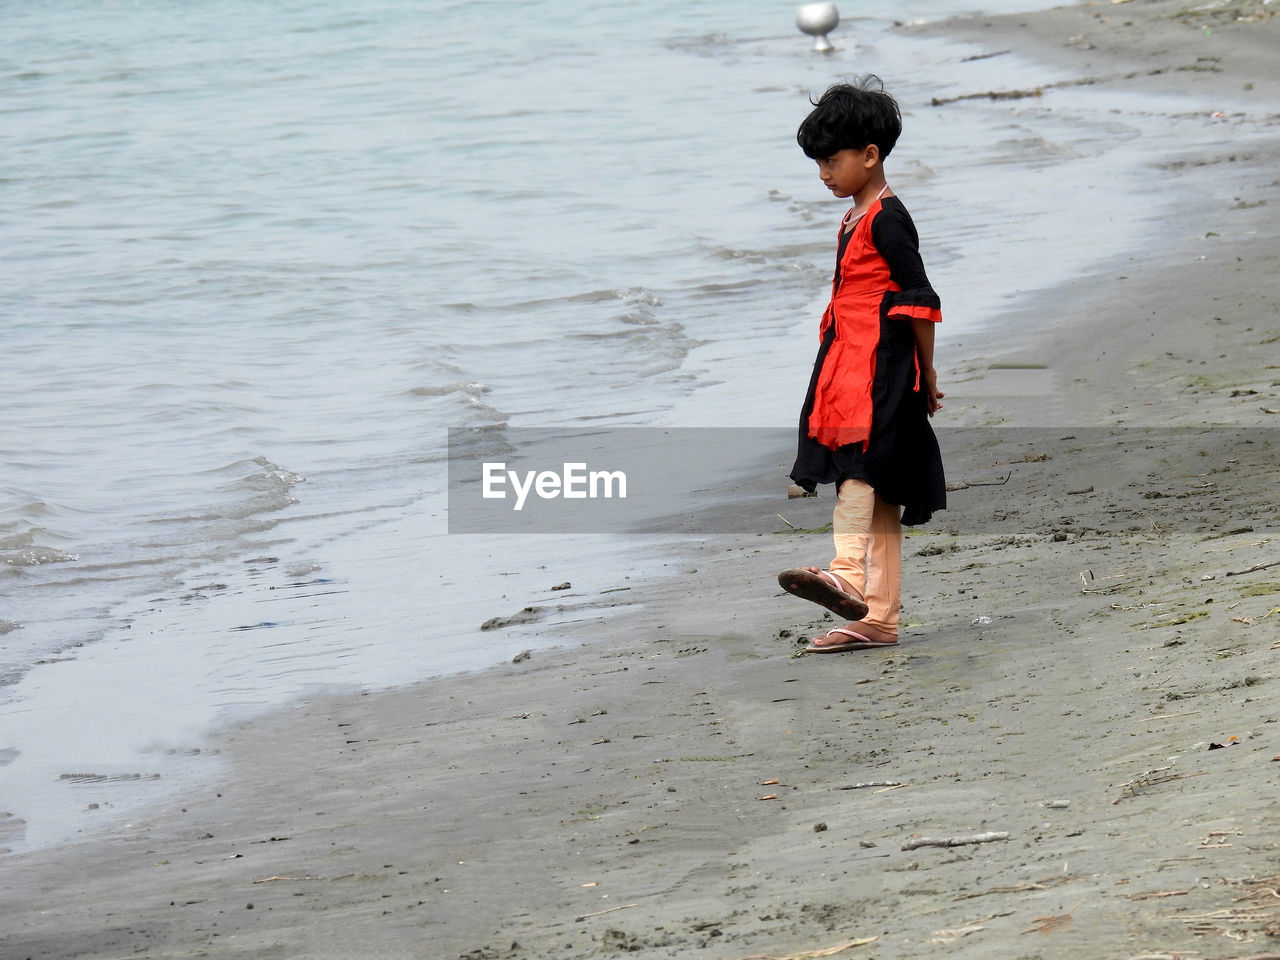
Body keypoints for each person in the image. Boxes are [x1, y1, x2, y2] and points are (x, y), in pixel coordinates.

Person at [778, 78, 946, 653]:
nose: (823, 173)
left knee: (860, 467)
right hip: (849, 362)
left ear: (870, 155)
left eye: (831, 160)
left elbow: (920, 298)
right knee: (882, 493)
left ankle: (845, 572)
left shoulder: (888, 218)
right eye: (818, 162)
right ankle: (878, 619)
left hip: (882, 365)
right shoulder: (855, 215)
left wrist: (925, 374)